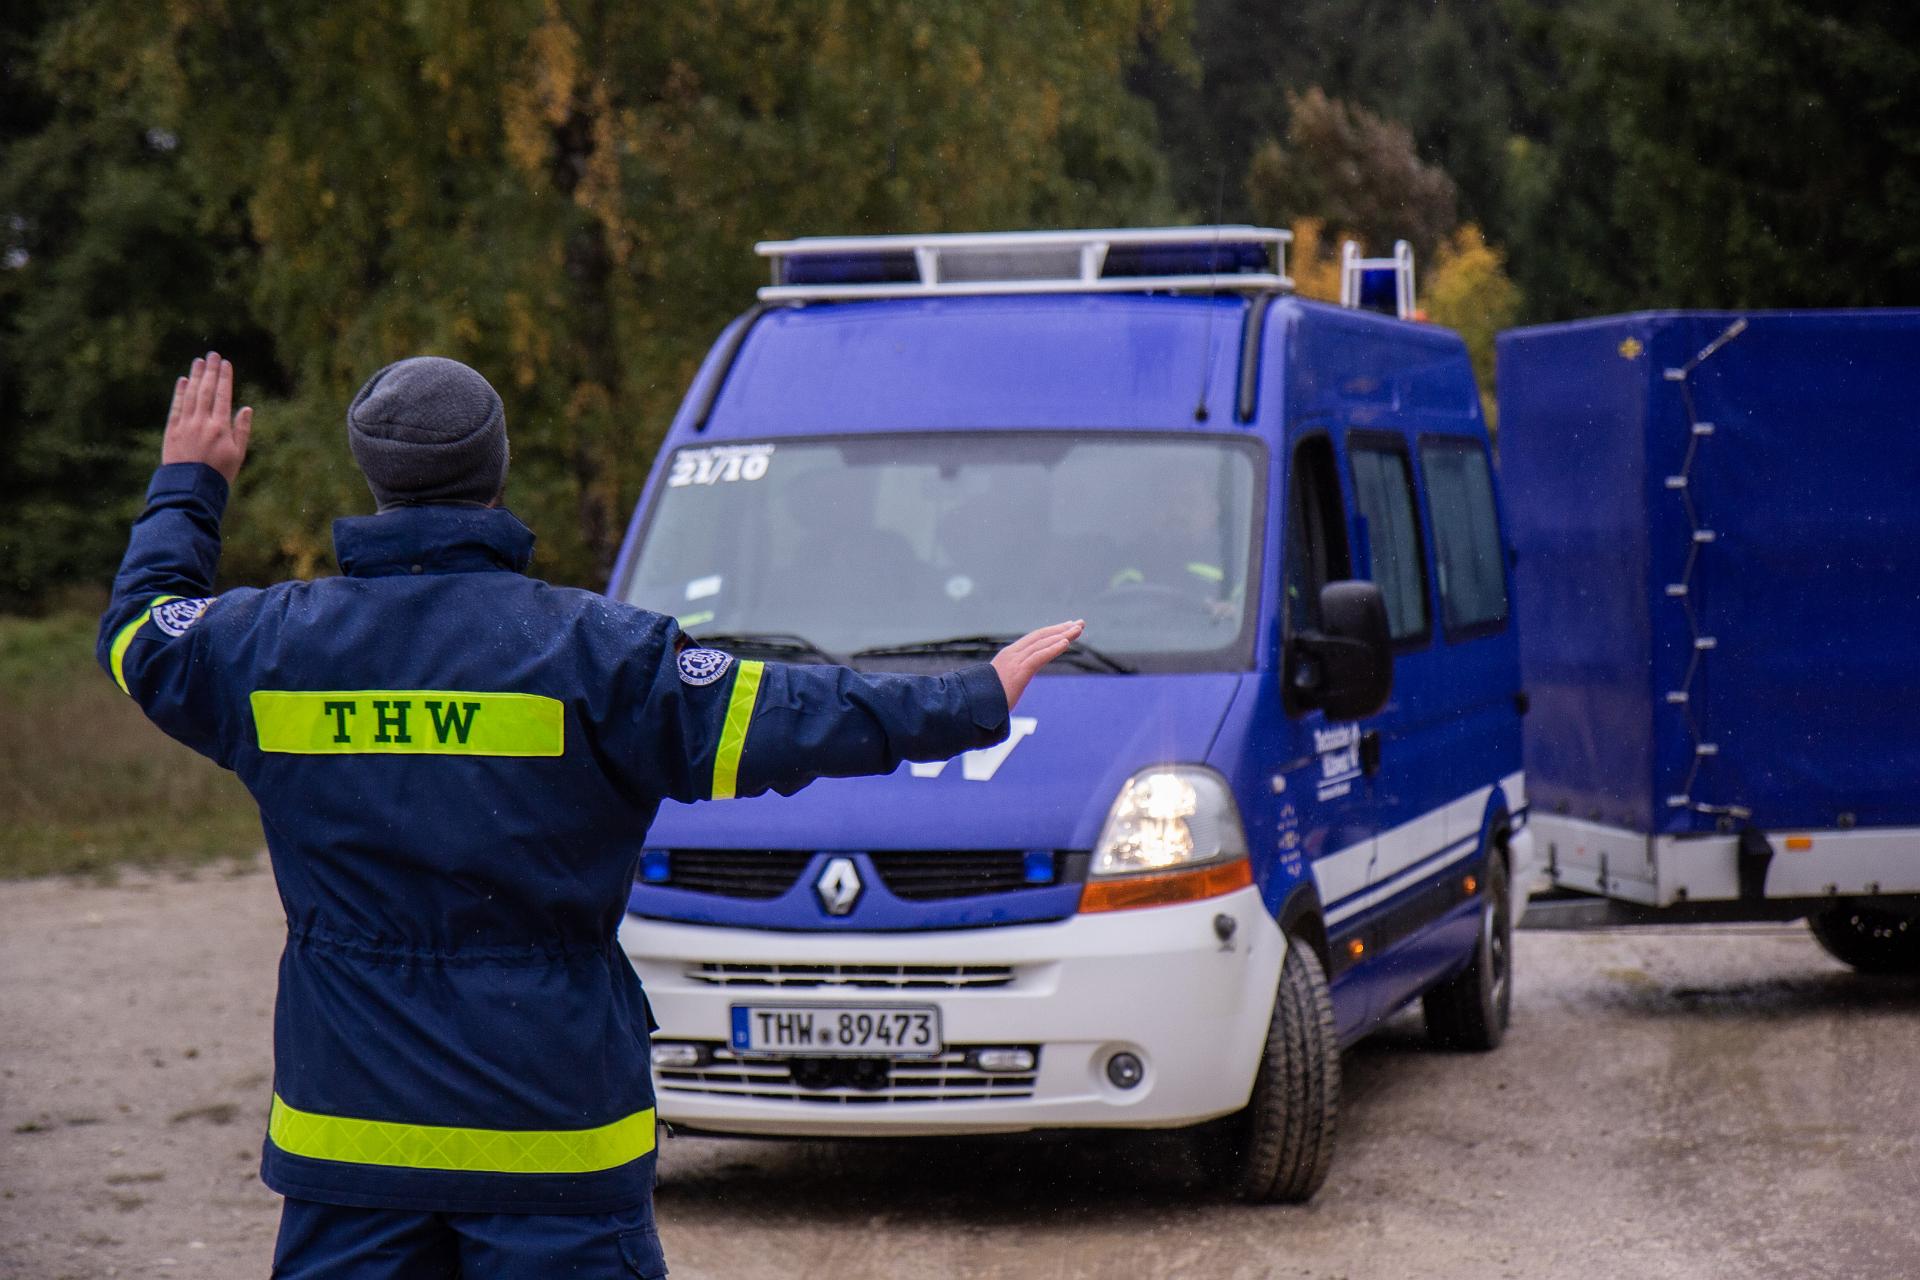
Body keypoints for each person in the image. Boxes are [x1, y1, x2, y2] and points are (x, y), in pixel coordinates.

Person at [98, 351, 1083, 1278]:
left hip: (345, 1139)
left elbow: (140, 632)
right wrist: (974, 695)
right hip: (555, 1134)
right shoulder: (598, 653)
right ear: (497, 471)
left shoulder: (270, 646)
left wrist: (190, 483)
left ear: (375, 480)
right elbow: (797, 716)